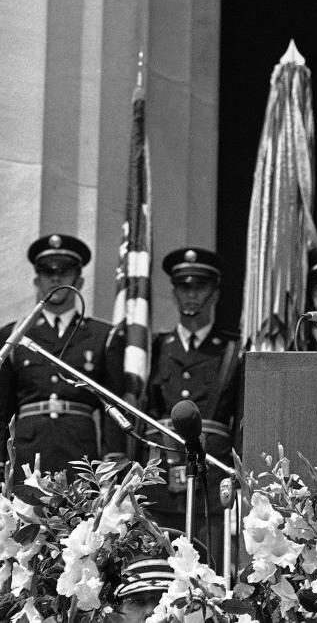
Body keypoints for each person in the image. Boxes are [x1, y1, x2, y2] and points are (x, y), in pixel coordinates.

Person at [142, 247, 242, 565]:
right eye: (184, 288)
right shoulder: (156, 347)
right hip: (160, 485)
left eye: (199, 288)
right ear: (174, 293)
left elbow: (241, 419)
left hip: (211, 484)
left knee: (211, 570)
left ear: (214, 293)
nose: (191, 296)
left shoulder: (232, 349)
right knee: (156, 572)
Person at [0, 234, 125, 484]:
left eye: (64, 272)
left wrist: (114, 461)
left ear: (78, 279)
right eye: (47, 272)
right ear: (37, 280)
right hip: (26, 452)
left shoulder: (103, 335)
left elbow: (113, 404)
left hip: (81, 452)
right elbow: (3, 408)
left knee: (82, 522)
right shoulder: (14, 334)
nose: (55, 279)